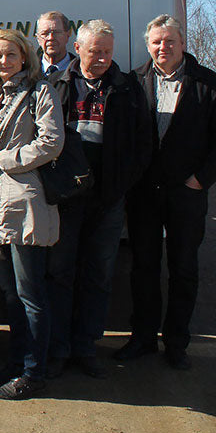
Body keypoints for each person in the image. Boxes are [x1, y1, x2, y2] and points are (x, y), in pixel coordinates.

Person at [47, 19, 151, 379]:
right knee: (60, 274)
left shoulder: (127, 88)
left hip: (108, 201)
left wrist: (120, 185)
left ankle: (86, 347)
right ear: (77, 49)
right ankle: (58, 349)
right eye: (95, 51)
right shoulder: (57, 85)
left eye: (107, 51)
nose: (103, 58)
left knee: (98, 276)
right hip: (65, 200)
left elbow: (142, 144)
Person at [119, 14, 216, 370]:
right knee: (143, 267)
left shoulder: (207, 83)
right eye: (157, 42)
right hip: (144, 193)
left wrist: (201, 179)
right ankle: (143, 338)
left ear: (182, 43)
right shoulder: (133, 82)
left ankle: (177, 342)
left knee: (184, 268)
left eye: (170, 41)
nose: (163, 47)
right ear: (148, 45)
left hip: (186, 193)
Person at [0, 30, 63, 400]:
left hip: (26, 205)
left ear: (24, 56)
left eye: (10, 55)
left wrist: (2, 160)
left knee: (31, 294)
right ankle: (17, 360)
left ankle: (34, 372)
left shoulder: (41, 92)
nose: (3, 61)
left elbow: (51, 143)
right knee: (11, 294)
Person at [36, 11, 77, 75]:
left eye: (56, 32)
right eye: (45, 33)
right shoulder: (27, 72)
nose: (51, 38)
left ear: (67, 35)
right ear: (38, 38)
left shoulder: (81, 70)